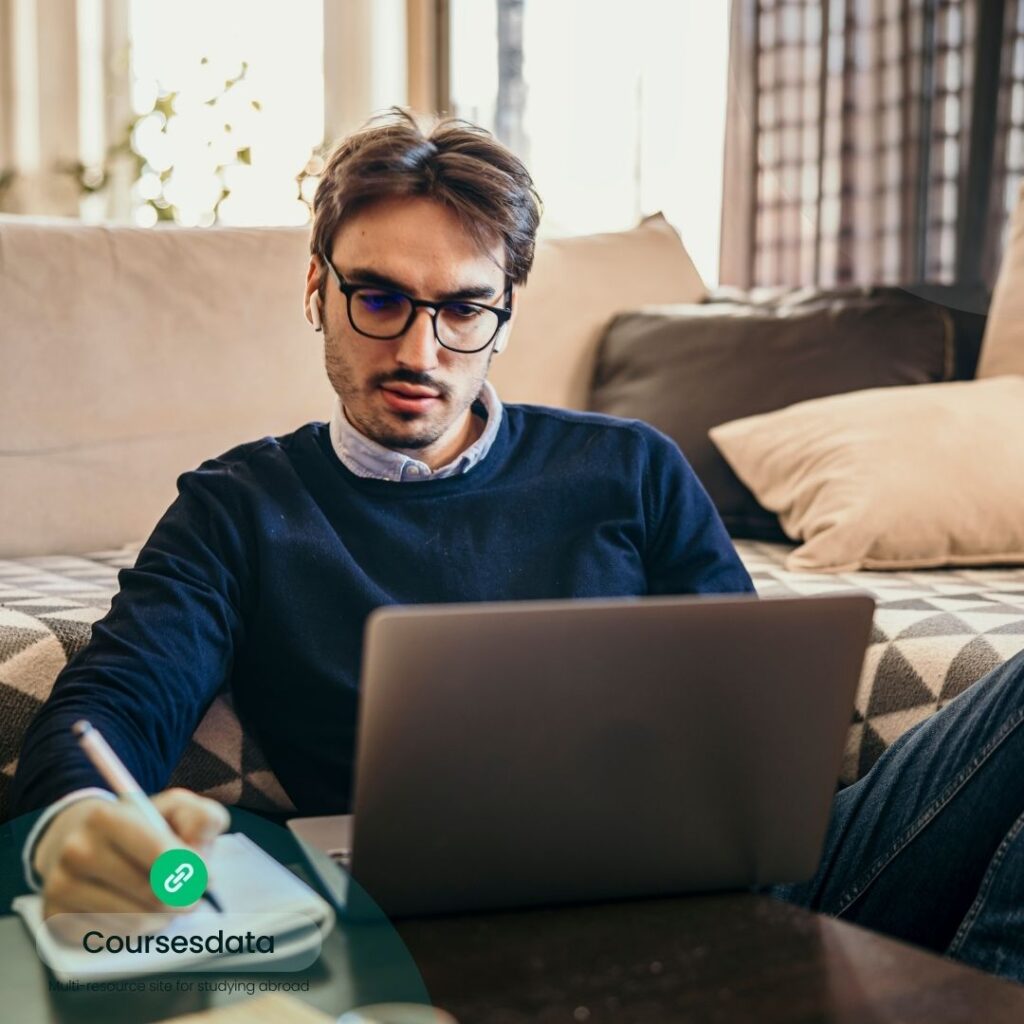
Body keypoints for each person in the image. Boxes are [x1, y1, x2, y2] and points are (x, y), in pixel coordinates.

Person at [11, 109, 1024, 983]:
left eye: (461, 310)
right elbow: (113, 703)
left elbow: (749, 725)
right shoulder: (239, 507)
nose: (418, 351)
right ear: (315, 288)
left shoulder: (631, 468)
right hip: (432, 922)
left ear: (502, 318)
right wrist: (76, 828)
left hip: (742, 886)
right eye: (379, 299)